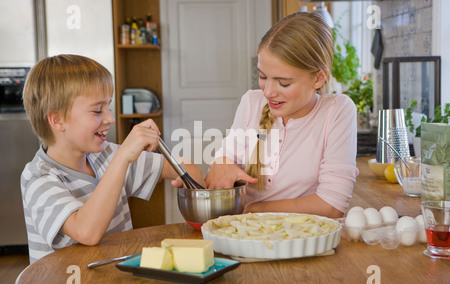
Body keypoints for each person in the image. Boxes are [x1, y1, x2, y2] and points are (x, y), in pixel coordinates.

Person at [21, 54, 204, 264]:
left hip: (112, 282)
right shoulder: (38, 178)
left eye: (109, 107)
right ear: (57, 120)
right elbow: (86, 232)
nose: (110, 118)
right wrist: (123, 156)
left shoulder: (104, 154)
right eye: (97, 110)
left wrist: (188, 175)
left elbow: (184, 169)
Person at [205, 12, 359, 219]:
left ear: (319, 78)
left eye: (283, 83)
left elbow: (332, 205)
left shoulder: (337, 111)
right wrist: (220, 164)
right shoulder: (252, 102)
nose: (268, 92)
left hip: (304, 237)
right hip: (247, 234)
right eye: (262, 76)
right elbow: (225, 163)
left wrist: (254, 210)